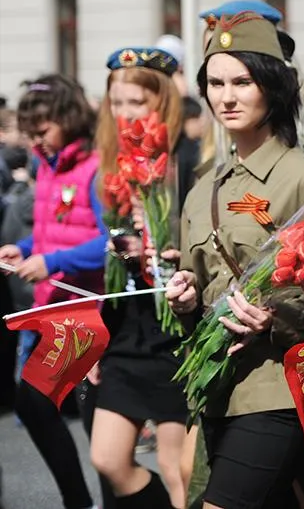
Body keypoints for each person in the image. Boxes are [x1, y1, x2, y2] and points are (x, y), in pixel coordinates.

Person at [165, 11, 304, 509]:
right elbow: (202, 287)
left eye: (243, 81)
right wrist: (185, 301)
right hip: (218, 388)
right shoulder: (202, 188)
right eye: (215, 83)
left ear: (273, 87)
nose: (226, 96)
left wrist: (276, 316)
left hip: (280, 387)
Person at [86, 46, 190, 508]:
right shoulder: (110, 163)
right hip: (127, 329)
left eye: (137, 103)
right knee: (107, 459)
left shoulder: (185, 162)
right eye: (116, 103)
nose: (125, 114)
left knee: (176, 468)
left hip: (174, 331)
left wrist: (168, 249)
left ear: (161, 103)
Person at [0, 75, 105, 509]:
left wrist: (51, 262)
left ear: (68, 119)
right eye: (31, 134)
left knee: (100, 428)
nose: (36, 142)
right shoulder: (47, 165)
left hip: (90, 312)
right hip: (55, 310)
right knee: (35, 405)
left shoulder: (96, 166)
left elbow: (111, 242)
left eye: (42, 132)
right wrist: (22, 249)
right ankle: (79, 501)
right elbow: (51, 234)